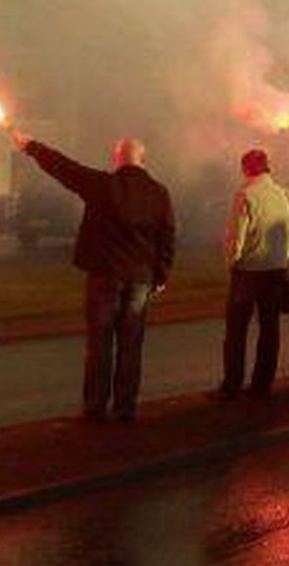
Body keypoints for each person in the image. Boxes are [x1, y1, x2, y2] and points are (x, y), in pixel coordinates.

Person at [13, 131, 175, 422]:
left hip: (104, 276)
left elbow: (64, 168)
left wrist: (32, 147)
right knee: (131, 344)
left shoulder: (102, 185)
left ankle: (95, 408)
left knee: (99, 344)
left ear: (117, 158)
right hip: (140, 278)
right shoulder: (159, 192)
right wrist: (161, 275)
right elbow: (168, 236)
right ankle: (125, 408)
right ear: (143, 160)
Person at [219, 149, 289, 398]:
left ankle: (233, 384)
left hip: (248, 271)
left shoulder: (246, 194)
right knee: (269, 328)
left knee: (236, 331)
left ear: (246, 168)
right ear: (267, 167)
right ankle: (262, 385)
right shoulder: (284, 195)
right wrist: (283, 261)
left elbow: (236, 235)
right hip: (275, 270)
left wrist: (232, 261)